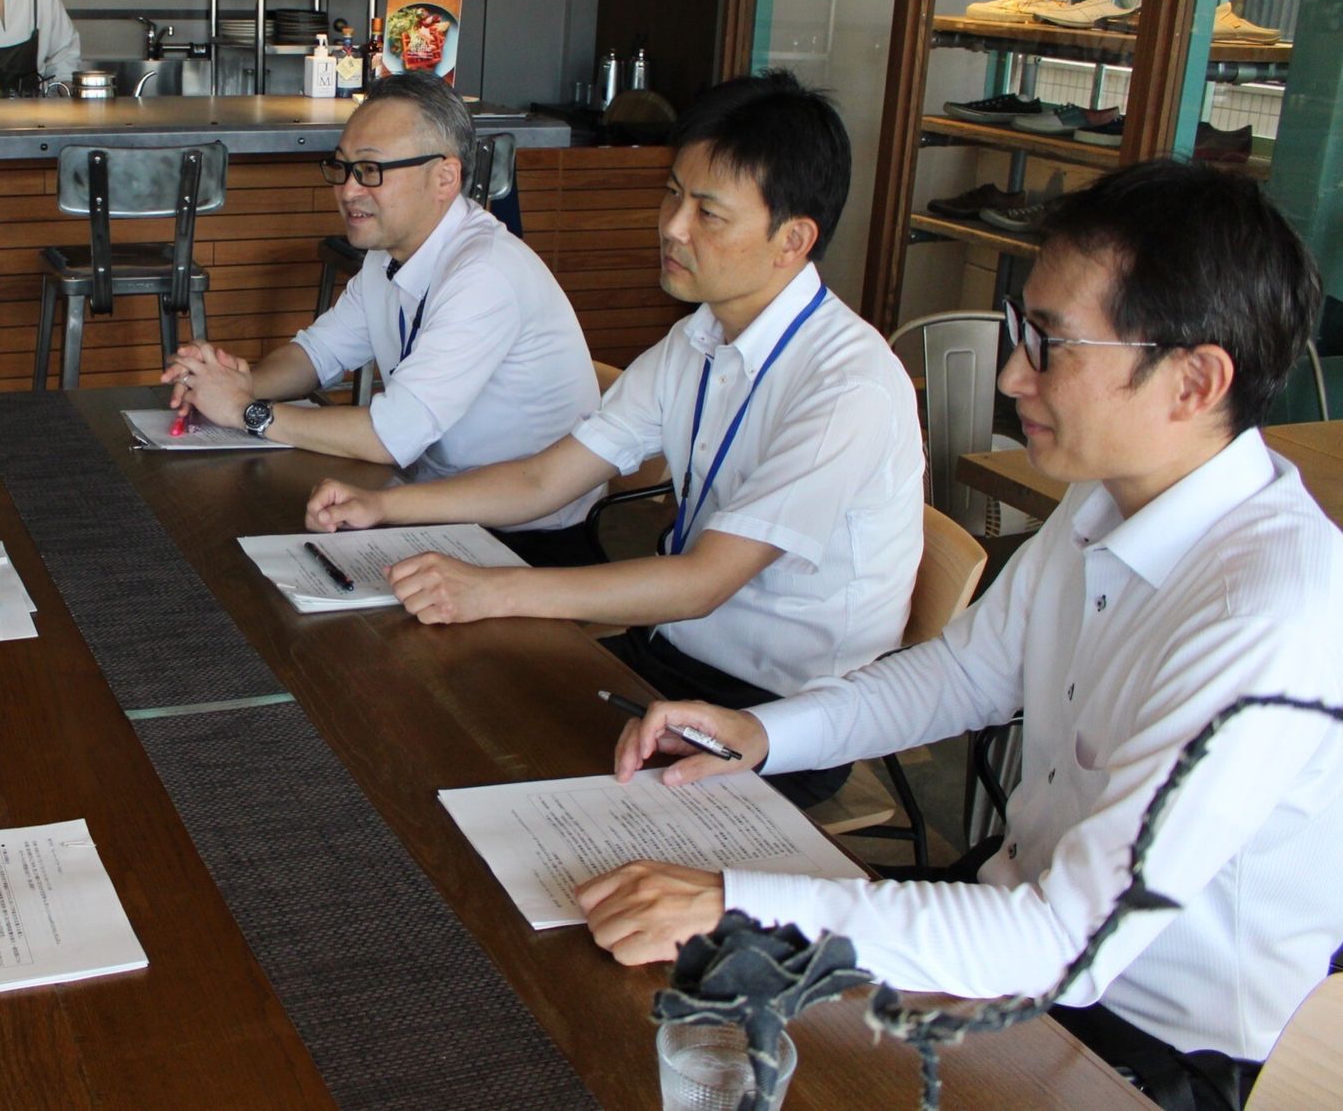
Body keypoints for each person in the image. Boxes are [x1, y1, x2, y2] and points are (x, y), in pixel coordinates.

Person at [580, 160, 1343, 1111]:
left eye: (1050, 344)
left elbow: (1068, 943)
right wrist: (768, 732)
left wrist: (741, 902)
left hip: (1145, 1046)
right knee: (650, 1003)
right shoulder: (1108, 499)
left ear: (1194, 381)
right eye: (1022, 328)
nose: (1013, 373)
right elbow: (964, 675)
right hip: (1007, 935)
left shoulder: (1265, 609)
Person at [305, 72, 923, 762]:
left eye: (708, 214)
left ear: (793, 239)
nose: (672, 226)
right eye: (673, 194)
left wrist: (493, 589)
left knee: (472, 748)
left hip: (778, 714)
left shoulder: (847, 388)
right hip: (668, 656)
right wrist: (384, 506)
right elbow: (544, 479)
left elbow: (702, 582)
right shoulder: (696, 340)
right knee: (420, 707)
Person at [165, 71, 602, 546]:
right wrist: (233, 383)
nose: (348, 190)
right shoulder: (388, 254)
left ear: (444, 177)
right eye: (343, 167)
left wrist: (246, 410)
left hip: (528, 540)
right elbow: (318, 354)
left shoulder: (485, 273)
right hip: (436, 507)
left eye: (371, 170)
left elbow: (389, 437)